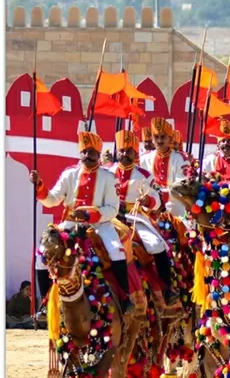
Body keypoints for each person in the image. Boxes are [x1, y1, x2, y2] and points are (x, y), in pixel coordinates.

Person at [30, 131, 133, 313]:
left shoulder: (109, 177)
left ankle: (125, 298)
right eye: (84, 152)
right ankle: (46, 303)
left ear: (99, 154)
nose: (87, 156)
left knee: (117, 252)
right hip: (69, 225)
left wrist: (89, 216)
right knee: (41, 254)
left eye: (92, 152)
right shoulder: (70, 174)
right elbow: (53, 199)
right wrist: (39, 186)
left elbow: (112, 209)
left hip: (100, 225)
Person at [110, 130, 178, 305]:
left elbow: (157, 200)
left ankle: (167, 289)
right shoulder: (107, 172)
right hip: (109, 218)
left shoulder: (144, 175)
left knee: (155, 245)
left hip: (135, 217)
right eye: (122, 150)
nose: (125, 154)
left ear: (135, 153)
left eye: (128, 151)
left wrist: (148, 199)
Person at [140, 118, 192, 217]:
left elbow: (181, 186)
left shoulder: (180, 158)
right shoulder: (144, 159)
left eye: (163, 137)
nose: (159, 140)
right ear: (152, 139)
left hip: (175, 208)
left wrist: (160, 197)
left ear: (170, 139)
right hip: (149, 206)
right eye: (156, 137)